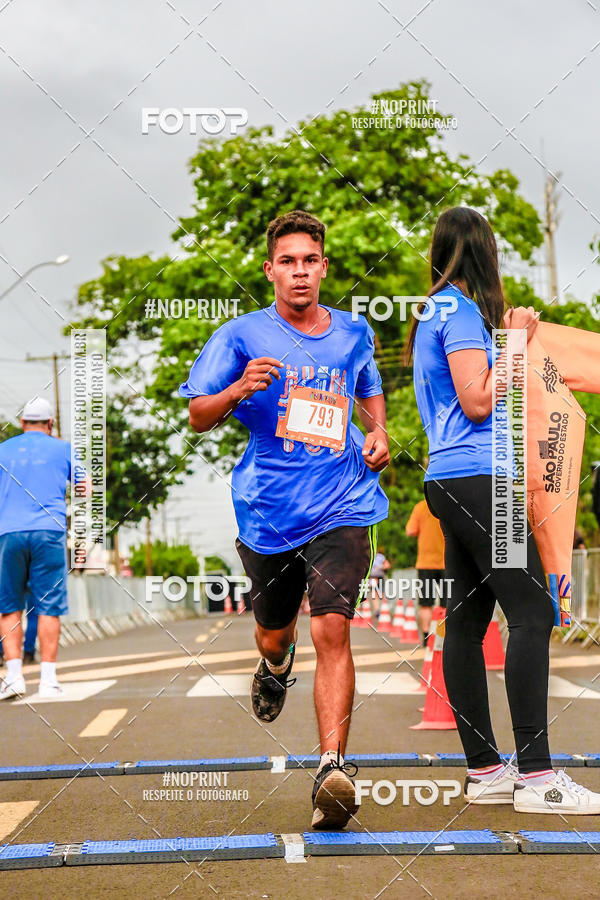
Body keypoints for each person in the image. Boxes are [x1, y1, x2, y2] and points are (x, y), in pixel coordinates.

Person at [180, 210, 390, 828]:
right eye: (288, 261)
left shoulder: (353, 333)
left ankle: (333, 768)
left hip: (343, 500)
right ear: (270, 270)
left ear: (324, 268)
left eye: (311, 261)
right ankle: (274, 665)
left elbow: (368, 387)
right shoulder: (241, 335)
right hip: (268, 510)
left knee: (333, 629)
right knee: (276, 631)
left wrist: (377, 432)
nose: (300, 272)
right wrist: (240, 388)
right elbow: (198, 414)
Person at [406, 206, 600, 814]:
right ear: (485, 254)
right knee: (535, 613)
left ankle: (487, 770)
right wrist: (513, 339)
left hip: (451, 480)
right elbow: (480, 399)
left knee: (466, 624)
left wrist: (508, 340)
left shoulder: (430, 312)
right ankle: (539, 779)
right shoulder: (459, 312)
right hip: (483, 480)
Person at [0, 398, 73, 699]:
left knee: (9, 606)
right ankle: (48, 680)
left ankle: (14, 677)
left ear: (22, 423)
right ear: (51, 423)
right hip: (49, 530)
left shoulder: (3, 449)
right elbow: (85, 488)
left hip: (8, 533)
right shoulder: (64, 449)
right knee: (48, 606)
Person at [405, 496, 446, 644]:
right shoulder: (447, 503)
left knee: (426, 603)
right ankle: (442, 638)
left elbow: (410, 531)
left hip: (425, 563)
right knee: (446, 604)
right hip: (447, 562)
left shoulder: (420, 507)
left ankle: (427, 637)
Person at [368, 547, 390, 621]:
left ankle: (383, 609)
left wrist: (380, 567)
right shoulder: (368, 556)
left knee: (381, 594)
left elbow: (387, 565)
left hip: (380, 577)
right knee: (374, 594)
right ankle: (377, 611)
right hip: (372, 578)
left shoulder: (381, 557)